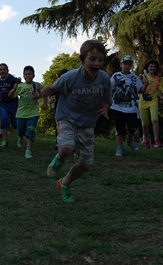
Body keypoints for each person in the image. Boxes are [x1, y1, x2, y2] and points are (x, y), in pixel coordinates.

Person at [35, 40, 112, 203]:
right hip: (67, 117)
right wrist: (38, 95)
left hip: (87, 123)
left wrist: (105, 108)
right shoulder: (70, 77)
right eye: (92, 59)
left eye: (100, 60)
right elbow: (51, 88)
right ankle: (59, 159)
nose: (97, 63)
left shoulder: (104, 78)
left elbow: (107, 98)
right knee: (66, 148)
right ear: (83, 59)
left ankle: (64, 183)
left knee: (85, 164)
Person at [110, 55, 146, 157]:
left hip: (131, 107)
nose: (127, 66)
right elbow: (110, 89)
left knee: (133, 127)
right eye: (125, 64)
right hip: (117, 106)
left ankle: (130, 140)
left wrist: (145, 85)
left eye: (129, 64)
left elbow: (141, 90)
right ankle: (119, 147)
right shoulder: (115, 76)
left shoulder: (134, 77)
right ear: (121, 64)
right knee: (120, 128)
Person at [9, 65, 41, 159]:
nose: (28, 76)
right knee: (20, 131)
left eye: (30, 74)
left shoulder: (37, 85)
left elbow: (43, 94)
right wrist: (14, 89)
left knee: (30, 131)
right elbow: (10, 96)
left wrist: (44, 102)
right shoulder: (20, 86)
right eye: (26, 74)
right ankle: (20, 137)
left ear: (33, 75)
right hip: (21, 114)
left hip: (33, 113)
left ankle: (28, 151)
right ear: (23, 76)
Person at [139, 59, 163, 149]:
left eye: (154, 67)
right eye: (151, 66)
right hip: (143, 101)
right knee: (145, 124)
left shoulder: (157, 78)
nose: (152, 68)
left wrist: (161, 96)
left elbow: (156, 89)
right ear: (147, 67)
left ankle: (156, 140)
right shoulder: (142, 76)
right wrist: (144, 82)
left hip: (153, 100)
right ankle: (147, 139)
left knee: (154, 119)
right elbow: (140, 88)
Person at [0, 63, 21, 148]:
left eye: (4, 69)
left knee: (15, 122)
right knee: (4, 121)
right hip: (3, 104)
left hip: (14, 103)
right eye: (0, 70)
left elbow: (20, 86)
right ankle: (5, 141)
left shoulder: (12, 79)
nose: (2, 71)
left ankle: (20, 138)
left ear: (7, 71)